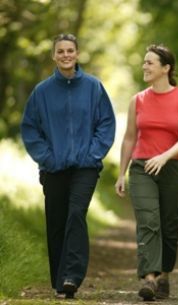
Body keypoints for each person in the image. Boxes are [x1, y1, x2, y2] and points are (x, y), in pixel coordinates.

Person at [20, 33, 116, 299]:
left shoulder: (94, 87)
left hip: (86, 167)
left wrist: (94, 153)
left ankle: (72, 276)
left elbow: (106, 123)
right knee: (57, 222)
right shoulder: (42, 91)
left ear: (77, 54)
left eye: (69, 51)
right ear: (54, 56)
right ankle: (59, 282)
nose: (65, 55)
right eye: (60, 51)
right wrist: (47, 158)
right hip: (54, 168)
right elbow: (30, 129)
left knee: (76, 213)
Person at [115, 44, 178, 301]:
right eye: (144, 62)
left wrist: (164, 156)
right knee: (148, 221)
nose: (145, 67)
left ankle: (164, 275)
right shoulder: (137, 100)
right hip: (142, 168)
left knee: (169, 226)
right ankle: (149, 277)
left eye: (150, 62)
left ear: (166, 68)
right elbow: (129, 138)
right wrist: (121, 173)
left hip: (172, 167)